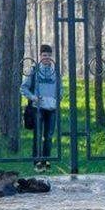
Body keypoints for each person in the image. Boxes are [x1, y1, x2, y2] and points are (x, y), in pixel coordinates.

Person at [20, 44, 62, 172]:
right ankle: (37, 161)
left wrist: (58, 98)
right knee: (38, 135)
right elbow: (24, 87)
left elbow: (60, 88)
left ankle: (46, 160)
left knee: (48, 136)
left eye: (49, 55)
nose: (47, 58)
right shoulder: (34, 70)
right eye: (44, 55)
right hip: (37, 108)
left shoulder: (55, 72)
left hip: (51, 108)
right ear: (40, 56)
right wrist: (33, 97)